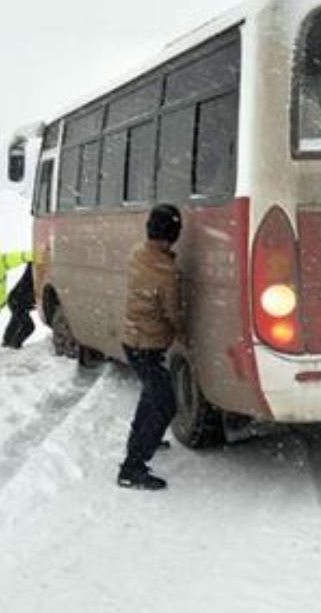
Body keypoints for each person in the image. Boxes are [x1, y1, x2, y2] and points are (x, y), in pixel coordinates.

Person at [117, 204, 184, 491]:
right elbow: (173, 312)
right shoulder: (164, 270)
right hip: (146, 342)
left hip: (133, 339)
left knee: (151, 393)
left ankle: (143, 441)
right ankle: (132, 468)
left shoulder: (138, 254)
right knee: (165, 404)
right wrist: (185, 332)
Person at [2, 263, 36, 349]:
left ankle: (7, 342)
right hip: (17, 301)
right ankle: (15, 345)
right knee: (29, 326)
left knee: (16, 321)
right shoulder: (32, 271)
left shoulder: (33, 272)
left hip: (16, 300)